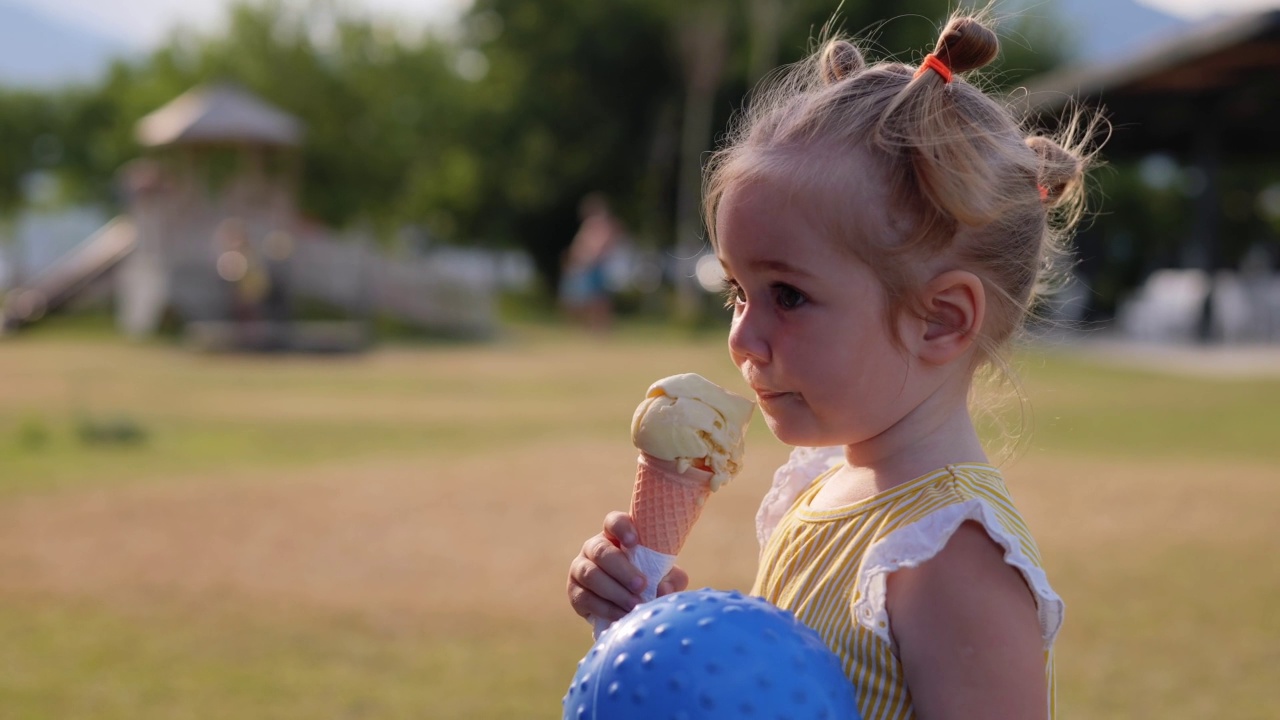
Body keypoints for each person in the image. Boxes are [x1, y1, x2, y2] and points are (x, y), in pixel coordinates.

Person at [566, 11, 1098, 719]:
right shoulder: (822, 491)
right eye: (737, 291)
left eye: (787, 295)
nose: (742, 338)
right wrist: (651, 628)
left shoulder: (950, 557)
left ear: (940, 320)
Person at [560, 193, 623, 331]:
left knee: (598, 299)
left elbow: (606, 244)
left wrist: (592, 257)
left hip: (595, 266)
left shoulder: (604, 226)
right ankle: (590, 327)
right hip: (584, 266)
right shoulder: (589, 226)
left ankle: (600, 328)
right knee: (583, 299)